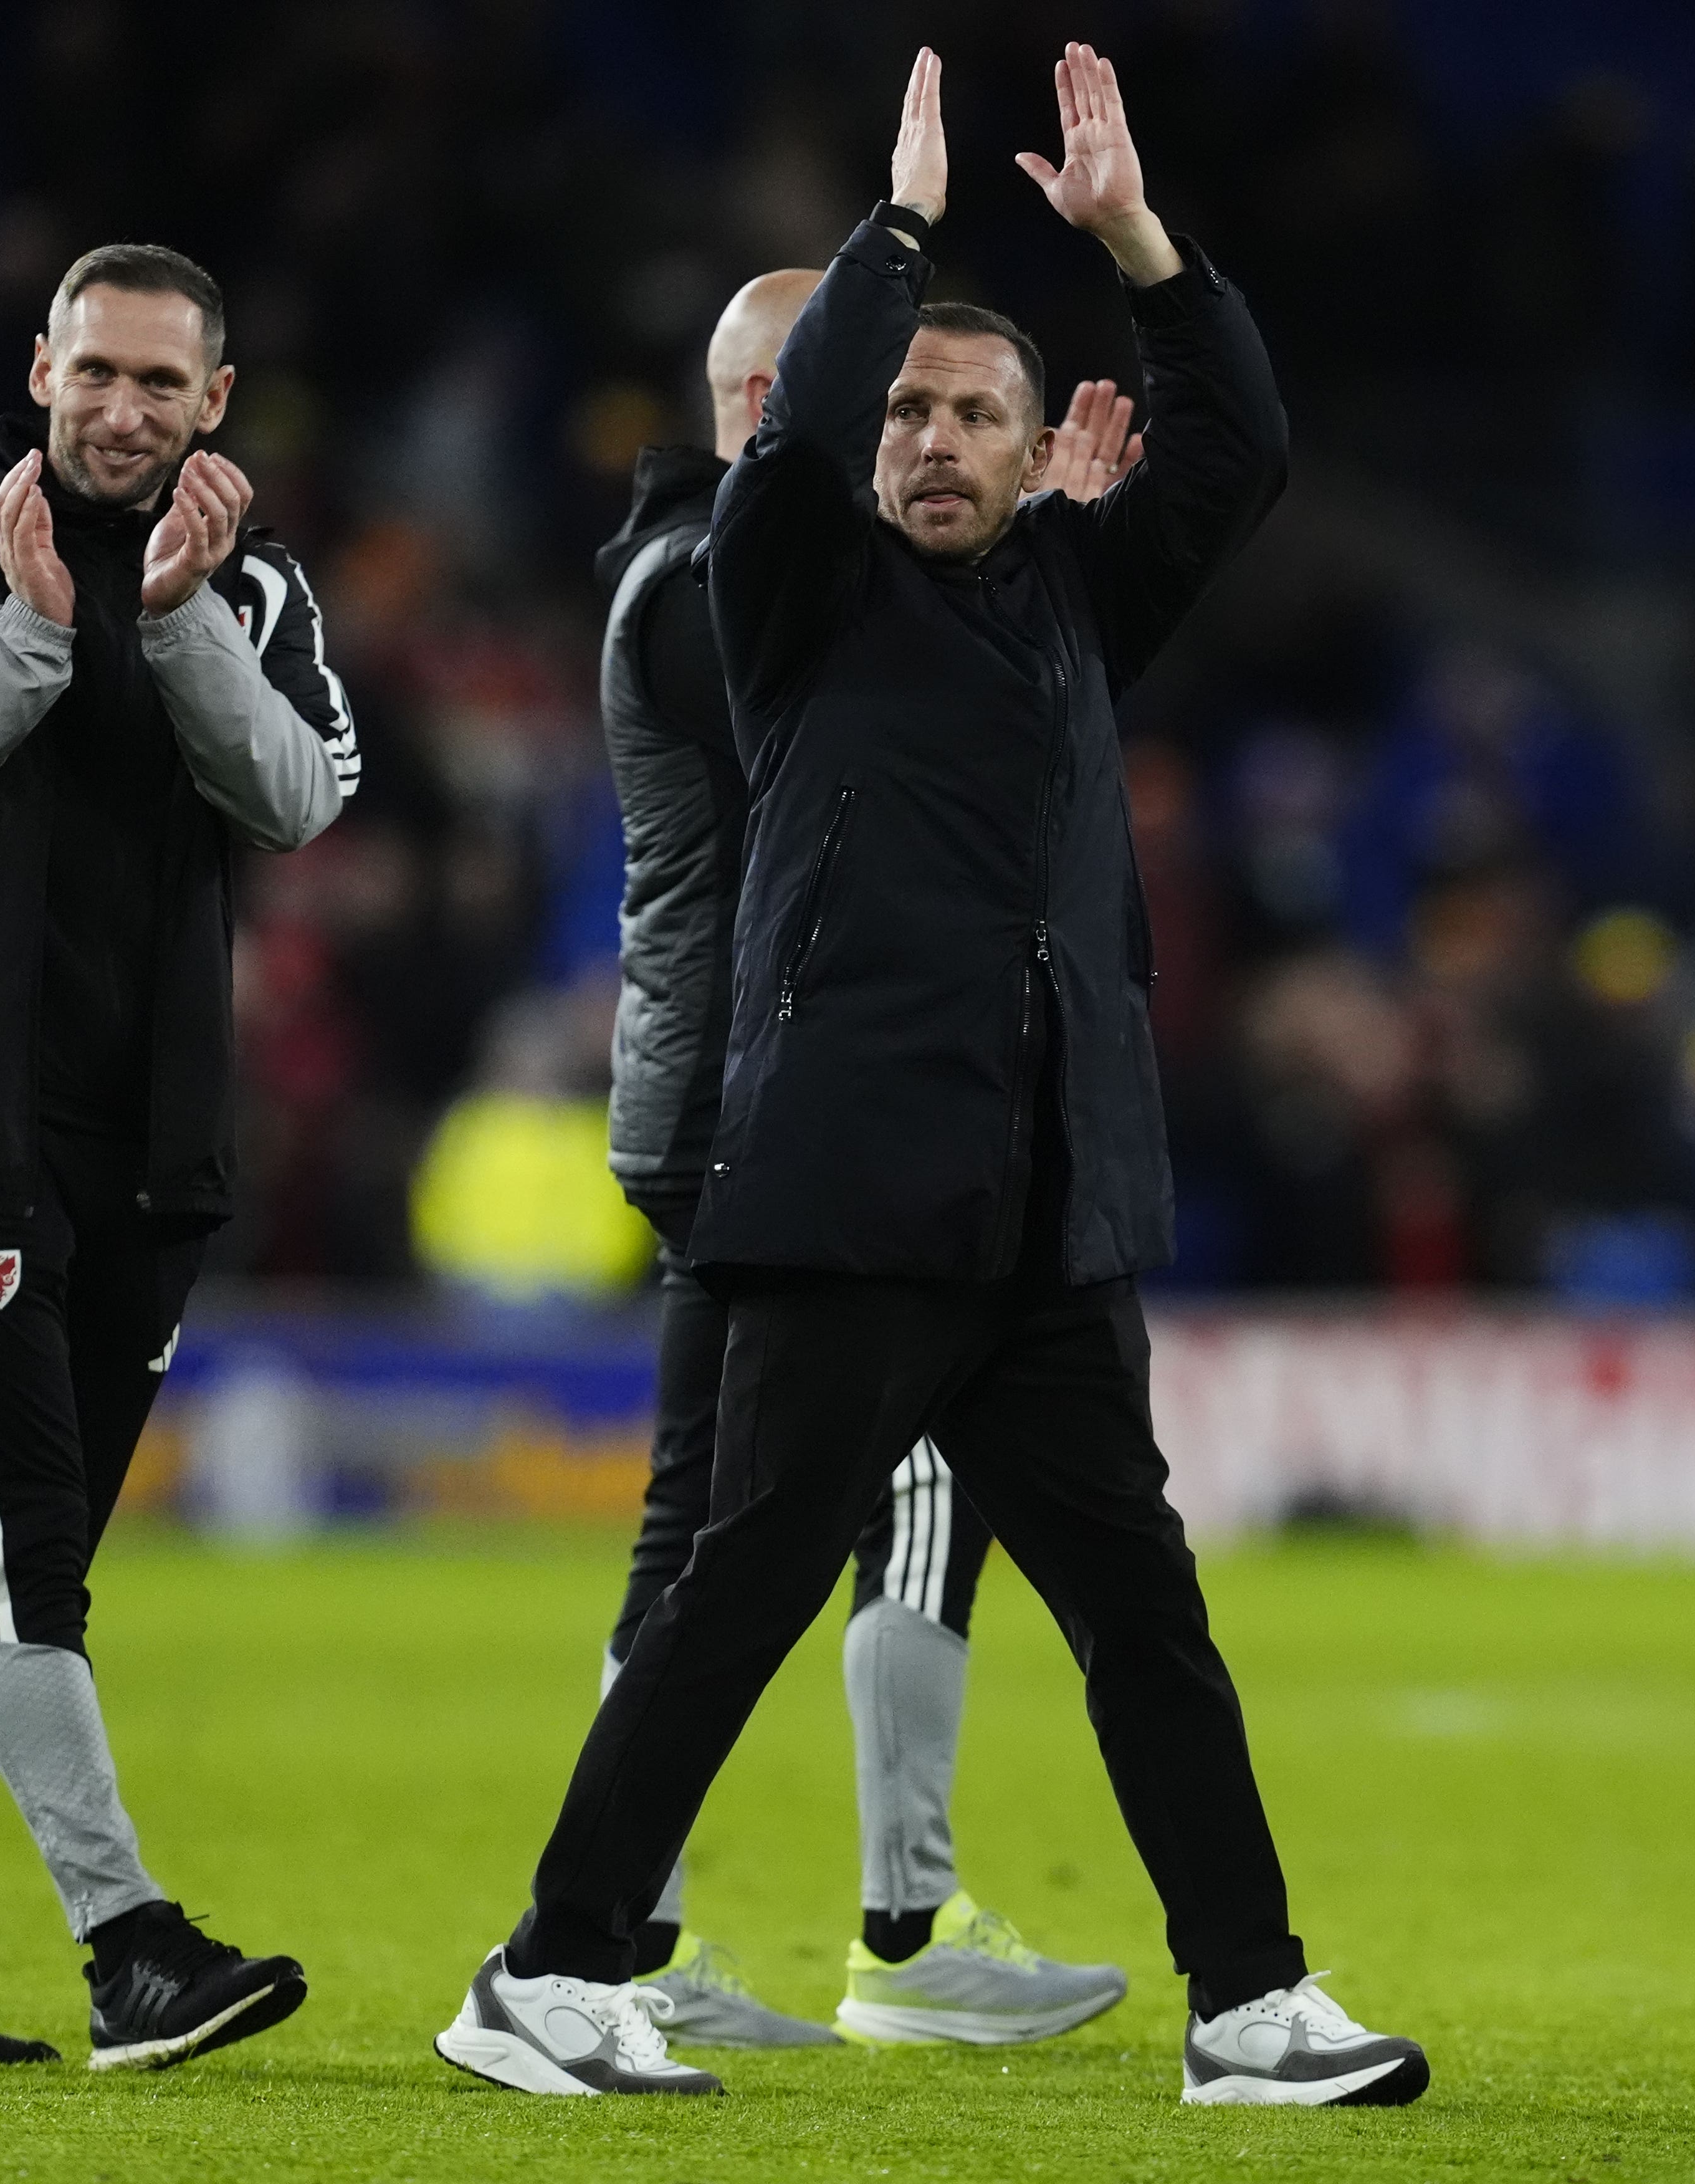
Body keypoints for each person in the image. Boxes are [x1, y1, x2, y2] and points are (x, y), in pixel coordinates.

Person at [434, 46, 1427, 2106]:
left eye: (982, 409)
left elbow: (1238, 445)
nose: (947, 440)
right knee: (744, 1591)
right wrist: (888, 243)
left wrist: (1140, 245)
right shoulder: (782, 590)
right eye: (913, 411)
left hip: (1043, 1201)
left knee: (1144, 1611)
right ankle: (544, 1971)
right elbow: (789, 437)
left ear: (1033, 438)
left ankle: (1249, 2003)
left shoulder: (1073, 595)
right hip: (856, 1188)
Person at [0, 244, 358, 2071]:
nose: (123, 411)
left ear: (218, 402)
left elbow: (295, 801)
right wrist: (33, 642)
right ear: (40, 366)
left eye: (160, 385)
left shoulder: (250, 585)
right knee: (20, 1548)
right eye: (94, 372)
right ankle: (131, 1948)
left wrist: (180, 619)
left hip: (149, 1148)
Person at [585, 266, 1150, 2050]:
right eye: (826, 398)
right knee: (854, 1505)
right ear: (759, 410)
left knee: (725, 1526)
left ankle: (652, 1939)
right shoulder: (715, 585)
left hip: (754, 1095)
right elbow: (889, 805)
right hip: (782, 1113)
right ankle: (890, 1933)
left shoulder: (739, 574)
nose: (878, 434)